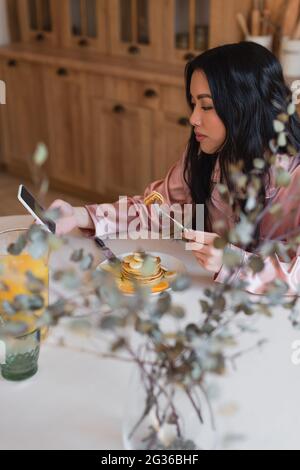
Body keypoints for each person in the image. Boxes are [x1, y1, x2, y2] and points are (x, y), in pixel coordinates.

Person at [48, 42, 300, 295]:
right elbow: (159, 209)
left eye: (207, 106)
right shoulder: (208, 156)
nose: (193, 119)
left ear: (247, 106)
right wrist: (81, 216)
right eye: (193, 104)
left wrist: (233, 264)